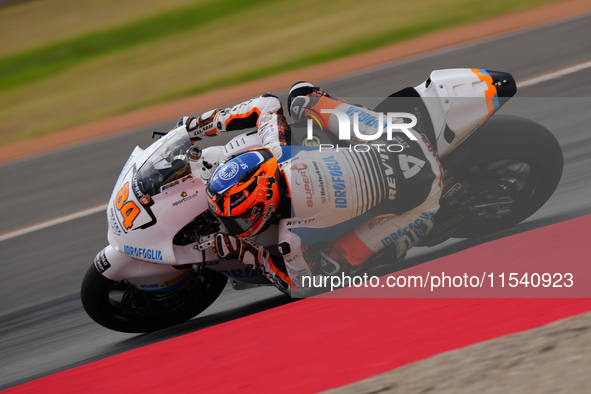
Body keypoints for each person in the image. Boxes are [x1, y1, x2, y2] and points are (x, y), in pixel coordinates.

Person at [185, 83, 443, 295]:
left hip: (424, 196)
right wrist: (197, 126)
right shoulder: (275, 150)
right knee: (300, 96)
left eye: (239, 220)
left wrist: (245, 251)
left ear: (263, 207)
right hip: (400, 137)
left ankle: (416, 232)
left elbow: (300, 288)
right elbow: (267, 103)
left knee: (330, 266)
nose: (233, 224)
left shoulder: (290, 237)